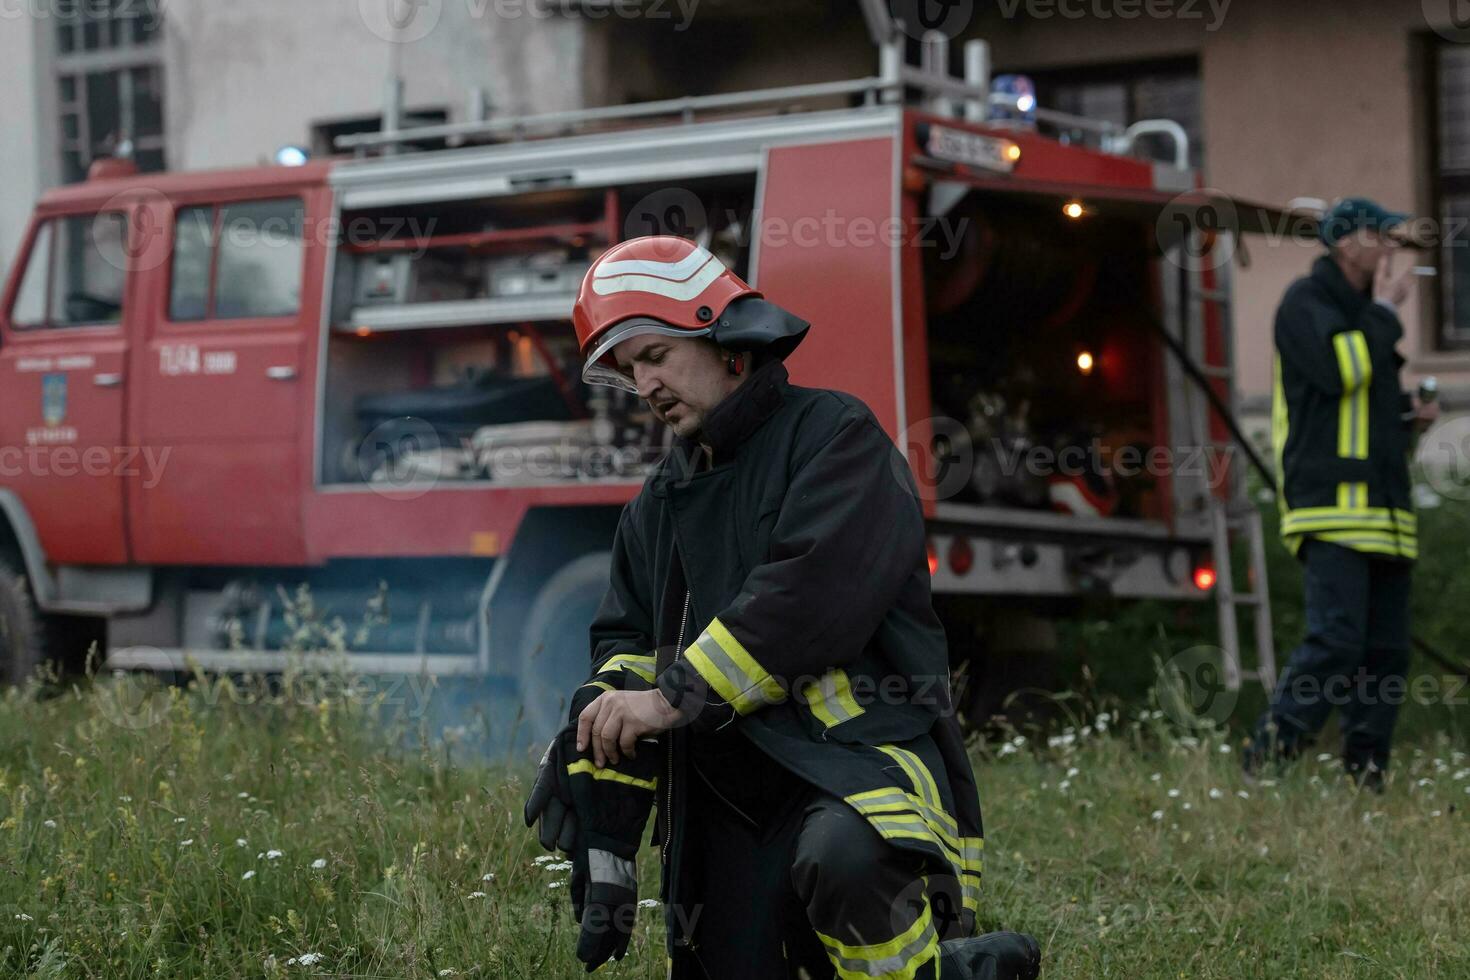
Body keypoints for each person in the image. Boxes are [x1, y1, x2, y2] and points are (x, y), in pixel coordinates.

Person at [524, 236, 1041, 979]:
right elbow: (627, 636)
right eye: (631, 370)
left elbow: (805, 601)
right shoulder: (657, 503)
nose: (646, 386)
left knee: (843, 860)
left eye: (656, 355)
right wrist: (600, 718)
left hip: (854, 764)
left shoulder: (836, 439)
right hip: (725, 796)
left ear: (725, 338)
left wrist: (671, 701)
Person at [1245, 198, 1439, 790]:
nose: (1388, 248)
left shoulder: (1365, 318)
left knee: (1384, 656)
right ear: (1344, 242)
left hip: (1384, 518)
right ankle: (1268, 758)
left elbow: (1363, 419)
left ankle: (1366, 777)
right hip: (1331, 513)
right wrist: (1384, 313)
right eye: (1379, 235)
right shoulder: (1307, 304)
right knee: (1334, 643)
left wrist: (1411, 420)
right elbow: (1337, 371)